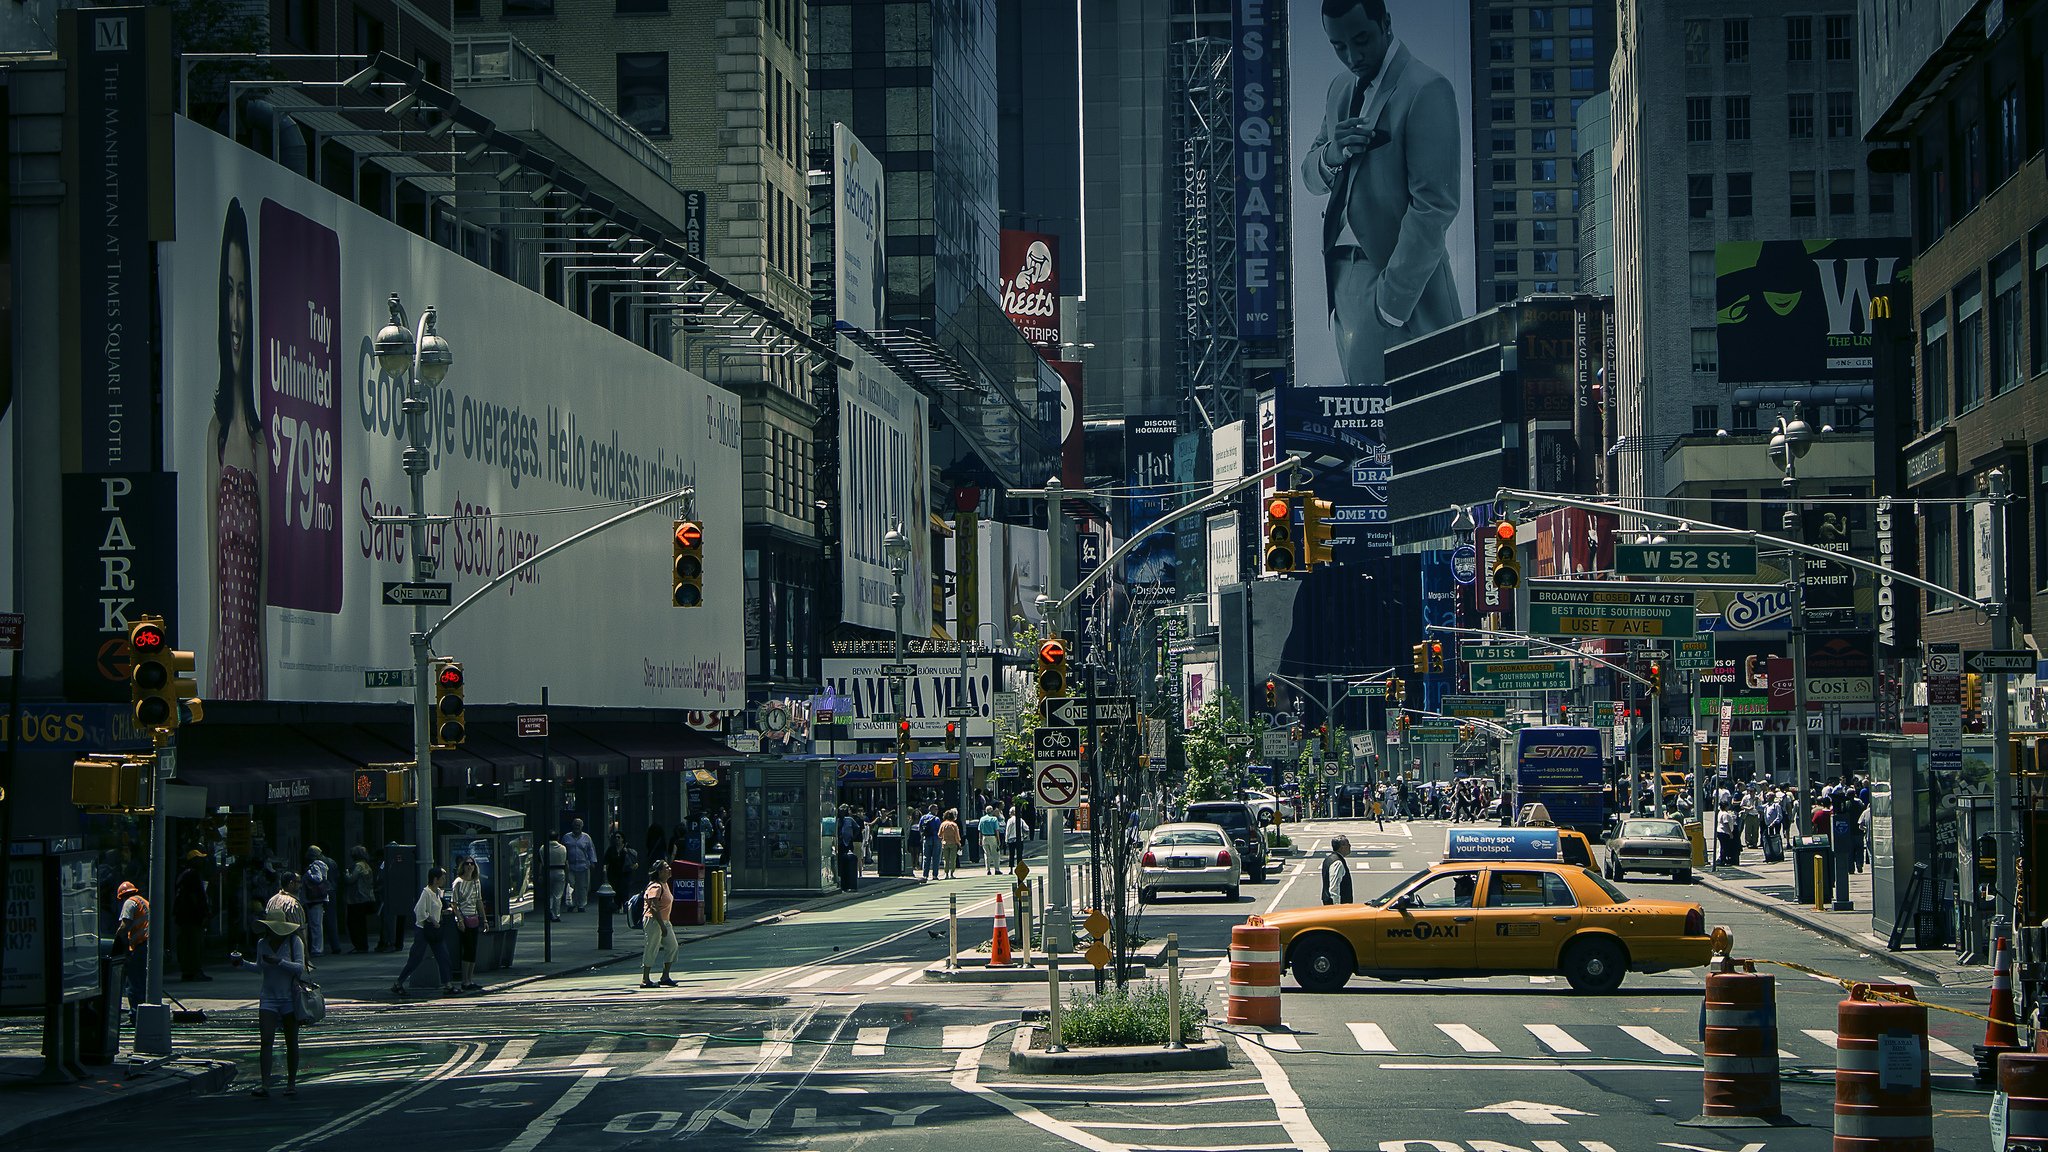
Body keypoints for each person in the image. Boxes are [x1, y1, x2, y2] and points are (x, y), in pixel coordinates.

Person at [1301, 0, 1463, 390]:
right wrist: (1332, 154)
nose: (1352, 56)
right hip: (1343, 285)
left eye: (1361, 40)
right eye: (1339, 46)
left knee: (1415, 427)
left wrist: (1390, 304)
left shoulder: (1426, 88)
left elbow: (1435, 205)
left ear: (1385, 24)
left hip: (1393, 287)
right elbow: (1310, 175)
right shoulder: (1340, 89)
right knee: (1371, 431)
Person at [205, 197, 267, 701]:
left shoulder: (262, 441)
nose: (235, 311)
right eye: (228, 291)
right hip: (224, 658)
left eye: (243, 293)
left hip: (251, 658)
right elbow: (211, 578)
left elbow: (263, 589)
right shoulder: (217, 435)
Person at [230, 912, 307, 1098]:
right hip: (268, 998)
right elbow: (259, 968)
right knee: (266, 1040)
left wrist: (280, 962)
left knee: (291, 1042)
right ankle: (265, 1083)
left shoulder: (294, 942)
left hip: (289, 997)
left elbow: (300, 967)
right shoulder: (262, 944)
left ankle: (291, 1083)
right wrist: (242, 963)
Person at [391, 867, 454, 997]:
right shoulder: (426, 892)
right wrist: (432, 919)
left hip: (435, 931)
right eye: (442, 877)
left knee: (444, 957)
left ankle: (448, 985)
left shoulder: (437, 892)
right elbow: (419, 911)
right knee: (416, 958)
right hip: (424, 931)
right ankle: (398, 983)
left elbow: (433, 909)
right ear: (435, 879)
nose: (444, 880)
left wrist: (442, 913)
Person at [449, 857, 488, 992]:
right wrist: (460, 920)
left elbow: (479, 901)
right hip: (463, 919)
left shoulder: (476, 882)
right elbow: (454, 903)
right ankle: (464, 980)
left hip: (474, 917)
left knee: (473, 950)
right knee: (467, 949)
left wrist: (484, 919)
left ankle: (470, 979)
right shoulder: (458, 882)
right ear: (463, 866)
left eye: (472, 864)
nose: (470, 866)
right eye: (467, 864)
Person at [173, 850, 213, 982]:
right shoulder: (192, 875)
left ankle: (188, 971)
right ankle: (194, 971)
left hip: (184, 917)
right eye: (198, 859)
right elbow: (195, 897)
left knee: (187, 945)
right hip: (192, 918)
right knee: (195, 945)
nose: (202, 861)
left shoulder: (183, 875)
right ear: (193, 861)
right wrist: (202, 914)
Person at [113, 880, 150, 1016]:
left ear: (122, 896)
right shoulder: (143, 901)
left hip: (141, 945)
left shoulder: (129, 902)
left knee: (133, 981)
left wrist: (115, 940)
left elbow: (125, 925)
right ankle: (143, 1010)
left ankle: (135, 1013)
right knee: (142, 980)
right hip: (148, 945)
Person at [640, 861, 679, 989]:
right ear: (659, 872)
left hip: (665, 921)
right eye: (666, 868)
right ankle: (645, 979)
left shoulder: (665, 884)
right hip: (654, 921)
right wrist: (662, 925)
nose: (670, 869)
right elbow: (654, 907)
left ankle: (665, 976)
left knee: (672, 946)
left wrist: (665, 924)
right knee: (652, 948)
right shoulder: (655, 886)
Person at [265, 872, 308, 966]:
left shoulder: (271, 900)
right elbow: (300, 931)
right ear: (291, 883)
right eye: (299, 882)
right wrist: (306, 954)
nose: (301, 885)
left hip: (271, 947)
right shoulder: (293, 904)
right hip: (290, 949)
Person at [301, 846, 335, 957]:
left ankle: (317, 948)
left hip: (314, 899)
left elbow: (318, 878)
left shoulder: (314, 866)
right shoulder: (322, 865)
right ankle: (317, 947)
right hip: (318, 899)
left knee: (315, 925)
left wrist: (307, 874)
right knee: (316, 925)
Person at [344, 846, 376, 954]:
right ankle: (363, 945)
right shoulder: (367, 866)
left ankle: (359, 945)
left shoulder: (357, 866)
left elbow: (351, 879)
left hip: (356, 898)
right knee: (361, 924)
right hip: (366, 897)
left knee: (353, 923)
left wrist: (346, 873)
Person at [563, 819, 596, 913]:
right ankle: (571, 904)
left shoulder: (586, 837)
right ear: (572, 825)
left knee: (583, 886)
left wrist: (593, 862)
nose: (577, 827)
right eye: (575, 825)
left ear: (582, 826)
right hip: (570, 866)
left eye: (579, 825)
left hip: (583, 866)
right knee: (570, 885)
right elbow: (563, 850)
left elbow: (591, 850)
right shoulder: (566, 837)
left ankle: (581, 905)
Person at [604, 830, 637, 902]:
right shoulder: (611, 849)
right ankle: (617, 905)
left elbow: (633, 859)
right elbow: (606, 860)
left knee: (624, 889)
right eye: (615, 837)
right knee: (615, 889)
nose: (617, 839)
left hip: (625, 872)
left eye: (619, 837)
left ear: (622, 839)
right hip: (613, 873)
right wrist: (605, 869)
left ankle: (625, 905)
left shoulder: (627, 848)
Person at [543, 833, 568, 922]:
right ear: (558, 837)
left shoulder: (543, 848)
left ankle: (549, 910)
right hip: (559, 871)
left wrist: (539, 875)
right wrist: (567, 875)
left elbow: (541, 861)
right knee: (557, 894)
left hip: (547, 871)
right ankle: (555, 915)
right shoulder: (563, 848)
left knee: (548, 894)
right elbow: (565, 862)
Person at [1322, 836, 1353, 905]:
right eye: (1348, 844)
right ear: (1342, 847)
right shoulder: (1337, 863)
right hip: (1338, 905)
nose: (1350, 846)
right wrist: (1337, 906)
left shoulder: (1329, 859)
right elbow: (1334, 887)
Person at [918, 805, 943, 881]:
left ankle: (925, 875)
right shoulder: (936, 819)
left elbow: (920, 828)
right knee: (936, 858)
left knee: (926, 857)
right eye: (936, 809)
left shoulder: (923, 818)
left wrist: (922, 837)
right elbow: (939, 830)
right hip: (936, 839)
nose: (937, 810)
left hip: (927, 839)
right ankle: (935, 875)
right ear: (932, 809)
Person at [978, 807, 1003, 875]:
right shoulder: (994, 819)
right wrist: (998, 840)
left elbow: (980, 830)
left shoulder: (982, 819)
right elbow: (996, 830)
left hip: (984, 837)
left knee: (987, 854)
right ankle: (997, 869)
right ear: (992, 811)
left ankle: (988, 870)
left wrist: (980, 839)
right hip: (992, 837)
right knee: (995, 854)